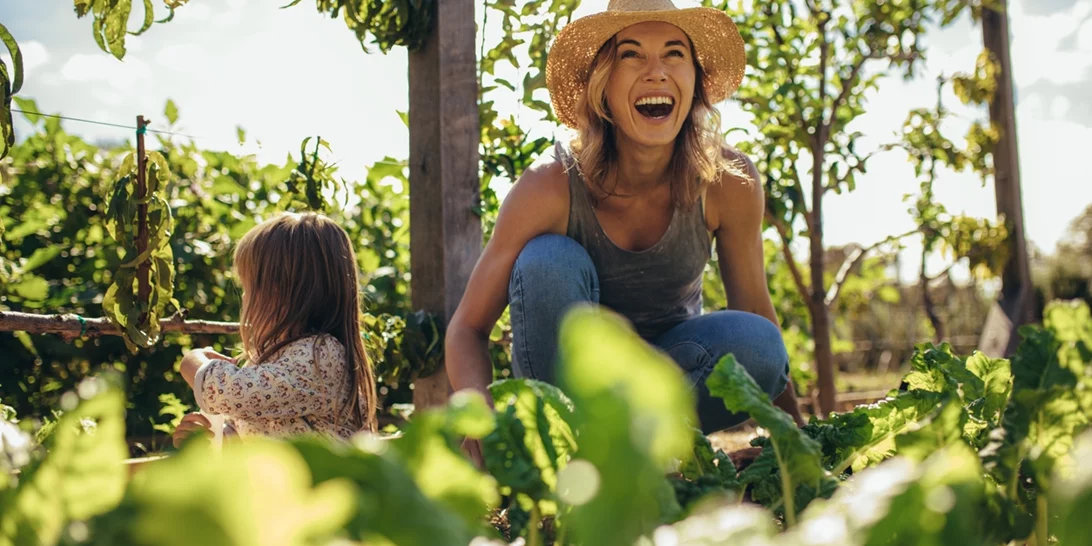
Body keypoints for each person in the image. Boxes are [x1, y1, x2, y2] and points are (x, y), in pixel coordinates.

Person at [445, 0, 805, 465]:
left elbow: (755, 308)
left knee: (759, 342)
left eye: (674, 53)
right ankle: (564, 455)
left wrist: (797, 437)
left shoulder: (727, 180)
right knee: (548, 260)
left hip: (672, 378)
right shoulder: (548, 187)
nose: (656, 72)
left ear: (694, 83)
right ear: (602, 86)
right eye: (632, 54)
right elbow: (467, 328)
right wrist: (478, 411)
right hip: (567, 395)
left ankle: (639, 453)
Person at [172, 212, 378, 448]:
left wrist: (193, 363)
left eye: (248, 287)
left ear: (282, 293)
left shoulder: (320, 355)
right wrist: (212, 437)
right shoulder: (272, 358)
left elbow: (234, 394)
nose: (245, 297)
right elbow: (257, 429)